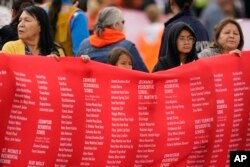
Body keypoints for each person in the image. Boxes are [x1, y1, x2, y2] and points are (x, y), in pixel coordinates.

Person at [77, 6, 148, 72]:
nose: (124, 25)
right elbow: (143, 75)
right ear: (116, 24)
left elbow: (76, 70)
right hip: (118, 85)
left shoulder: (84, 45)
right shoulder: (128, 47)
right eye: (123, 22)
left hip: (93, 85)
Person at [137, 4, 164, 72]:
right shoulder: (164, 30)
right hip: (161, 68)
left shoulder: (142, 34)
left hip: (147, 69)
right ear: (159, 15)